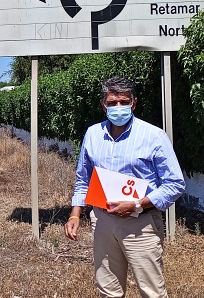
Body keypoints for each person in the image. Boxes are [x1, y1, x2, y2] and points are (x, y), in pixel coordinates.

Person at [64, 76, 185, 298]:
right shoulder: (93, 134)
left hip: (141, 224)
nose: (118, 107)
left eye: (123, 101)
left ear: (134, 103)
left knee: (152, 292)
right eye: (112, 103)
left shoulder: (154, 136)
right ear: (103, 104)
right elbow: (83, 178)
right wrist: (75, 214)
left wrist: (137, 204)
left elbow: (175, 183)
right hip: (102, 221)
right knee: (108, 290)